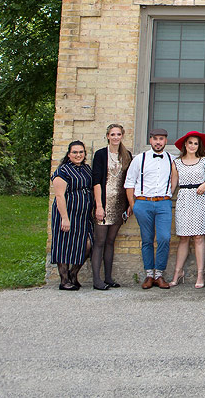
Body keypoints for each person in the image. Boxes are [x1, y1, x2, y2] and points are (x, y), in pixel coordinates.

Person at [124, 126, 178, 289]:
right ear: (150, 140)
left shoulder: (172, 159)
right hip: (143, 202)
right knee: (147, 239)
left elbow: (174, 179)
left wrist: (169, 193)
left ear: (165, 141)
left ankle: (159, 274)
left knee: (164, 238)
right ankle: (149, 275)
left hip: (163, 203)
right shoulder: (140, 159)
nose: (158, 142)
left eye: (161, 139)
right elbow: (129, 183)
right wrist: (133, 205)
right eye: (155, 139)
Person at [168, 130, 205, 287]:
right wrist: (165, 198)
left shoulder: (204, 161)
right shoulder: (177, 163)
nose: (193, 146)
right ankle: (178, 272)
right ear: (184, 144)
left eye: (196, 143)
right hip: (184, 198)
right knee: (184, 237)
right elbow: (173, 184)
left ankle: (200, 274)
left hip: (199, 198)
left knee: (199, 237)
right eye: (190, 142)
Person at [90, 123, 131, 290]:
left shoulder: (126, 155)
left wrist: (129, 204)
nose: (115, 137)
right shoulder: (100, 154)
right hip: (104, 202)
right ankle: (96, 279)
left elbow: (128, 181)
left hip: (119, 203)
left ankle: (108, 277)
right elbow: (96, 181)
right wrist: (99, 206)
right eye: (112, 134)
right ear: (107, 136)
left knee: (110, 241)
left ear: (122, 136)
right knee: (99, 241)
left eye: (118, 134)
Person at [51, 141, 94, 291]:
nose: (78, 155)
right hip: (67, 214)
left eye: (81, 152)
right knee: (64, 245)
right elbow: (59, 196)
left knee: (87, 245)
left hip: (83, 216)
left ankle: (73, 274)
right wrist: (64, 217)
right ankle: (64, 280)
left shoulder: (87, 169)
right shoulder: (63, 171)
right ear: (69, 154)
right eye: (75, 152)